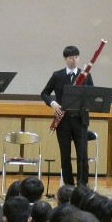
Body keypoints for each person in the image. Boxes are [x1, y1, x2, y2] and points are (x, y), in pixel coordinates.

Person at [41, 45, 93, 186]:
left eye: (76, 57)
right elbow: (44, 93)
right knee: (65, 155)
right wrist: (52, 103)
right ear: (65, 59)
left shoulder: (85, 76)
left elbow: (92, 95)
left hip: (80, 120)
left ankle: (82, 186)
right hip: (63, 121)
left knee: (82, 155)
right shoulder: (57, 75)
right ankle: (68, 186)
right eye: (71, 57)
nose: (74, 60)